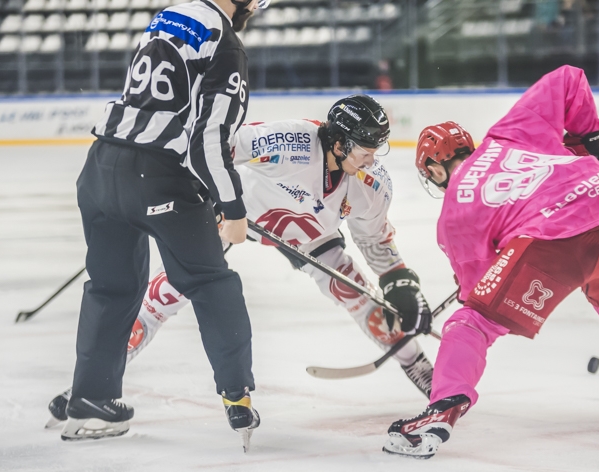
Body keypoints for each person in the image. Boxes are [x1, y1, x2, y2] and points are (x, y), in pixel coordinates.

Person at [382, 65, 599, 460]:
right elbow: (567, 79)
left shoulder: (454, 214)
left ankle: (439, 414)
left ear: (435, 170)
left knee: (471, 323)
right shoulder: (508, 134)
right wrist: (586, 144)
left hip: (559, 241)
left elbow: (477, 291)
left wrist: (475, 295)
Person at [48, 95, 434, 429]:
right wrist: (206, 194)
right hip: (240, 216)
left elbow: (374, 238)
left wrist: (398, 281)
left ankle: (423, 371)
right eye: (365, 150)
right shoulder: (293, 140)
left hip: (312, 235)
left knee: (357, 293)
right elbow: (216, 147)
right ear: (337, 142)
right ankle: (92, 385)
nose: (371, 159)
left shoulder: (371, 183)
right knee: (166, 292)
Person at [61, 0, 270, 444]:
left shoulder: (168, 15)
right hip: (156, 178)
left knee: (112, 287)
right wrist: (232, 208)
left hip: (100, 167)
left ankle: (91, 400)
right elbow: (208, 140)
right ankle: (237, 394)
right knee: (212, 282)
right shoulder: (225, 43)